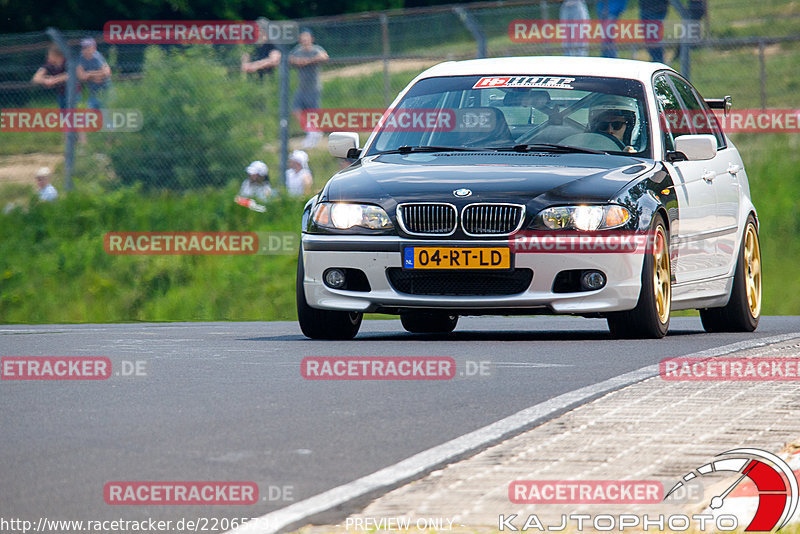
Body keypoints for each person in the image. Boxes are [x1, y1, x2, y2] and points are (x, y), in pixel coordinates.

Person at [289, 29, 329, 149]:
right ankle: (311, 132)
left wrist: (309, 61)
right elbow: (290, 58)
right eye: (302, 39)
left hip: (313, 87)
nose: (304, 41)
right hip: (301, 87)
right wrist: (298, 61)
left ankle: (314, 134)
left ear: (311, 39)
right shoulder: (298, 50)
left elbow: (324, 57)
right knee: (295, 110)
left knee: (313, 113)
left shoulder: (316, 49)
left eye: (306, 38)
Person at [76, 37, 111, 110]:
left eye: (87, 47)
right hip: (92, 91)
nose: (85, 50)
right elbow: (81, 76)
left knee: (105, 112)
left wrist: (88, 74)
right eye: (83, 47)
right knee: (91, 112)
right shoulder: (80, 57)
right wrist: (96, 75)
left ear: (94, 48)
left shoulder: (97, 56)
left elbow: (107, 72)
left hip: (105, 89)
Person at [32, 45, 69, 109]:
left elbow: (71, 75)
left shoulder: (68, 62)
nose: (48, 57)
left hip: (73, 93)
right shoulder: (49, 64)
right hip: (61, 94)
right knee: (64, 116)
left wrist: (55, 79)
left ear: (57, 56)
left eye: (50, 55)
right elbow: (36, 78)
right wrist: (46, 80)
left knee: (74, 114)